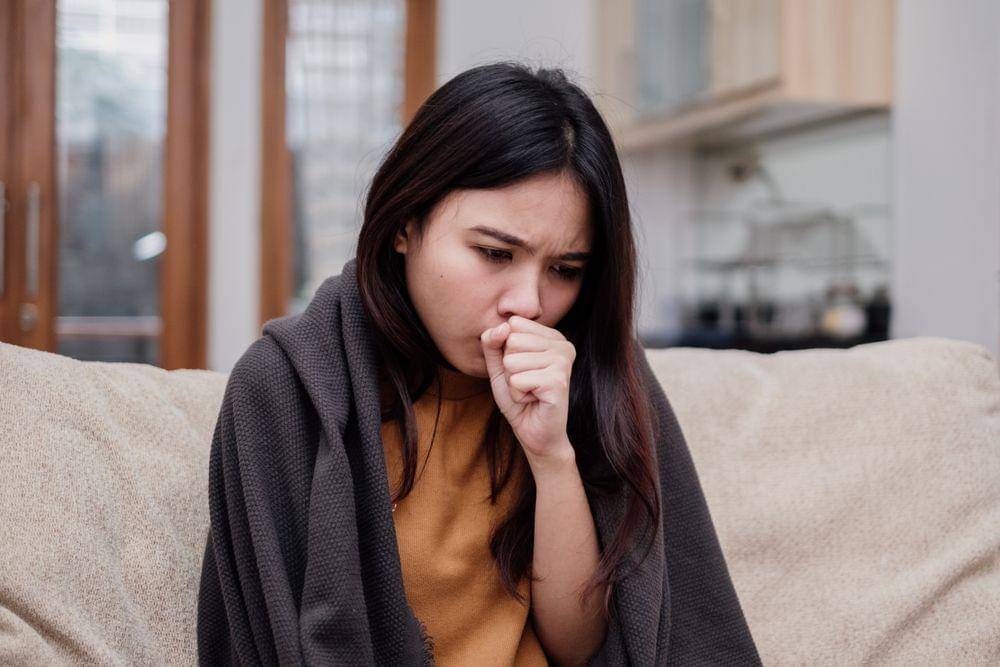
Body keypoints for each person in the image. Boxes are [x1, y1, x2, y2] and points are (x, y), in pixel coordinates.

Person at [197, 61, 761, 666]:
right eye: (494, 253)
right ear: (405, 224)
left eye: (564, 269)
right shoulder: (287, 387)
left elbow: (577, 649)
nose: (529, 303)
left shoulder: (587, 374)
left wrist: (552, 457)